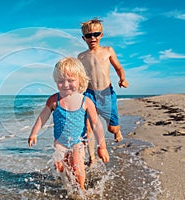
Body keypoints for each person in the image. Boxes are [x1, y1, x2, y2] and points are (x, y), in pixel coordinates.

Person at [28, 57, 109, 190]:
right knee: (59, 167)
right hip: (60, 142)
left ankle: (81, 190)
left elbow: (96, 124)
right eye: (61, 81)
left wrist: (102, 146)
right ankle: (68, 186)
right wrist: (34, 133)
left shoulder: (86, 101)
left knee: (77, 166)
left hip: (78, 141)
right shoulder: (54, 100)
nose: (65, 85)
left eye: (71, 81)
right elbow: (42, 117)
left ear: (80, 80)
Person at [77, 19, 129, 164]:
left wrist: (122, 79)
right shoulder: (81, 56)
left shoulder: (108, 50)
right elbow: (79, 76)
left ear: (101, 35)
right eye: (88, 35)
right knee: (87, 127)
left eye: (96, 34)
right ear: (84, 38)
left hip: (106, 93)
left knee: (112, 128)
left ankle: (117, 131)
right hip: (88, 93)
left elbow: (118, 68)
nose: (92, 38)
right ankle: (91, 157)